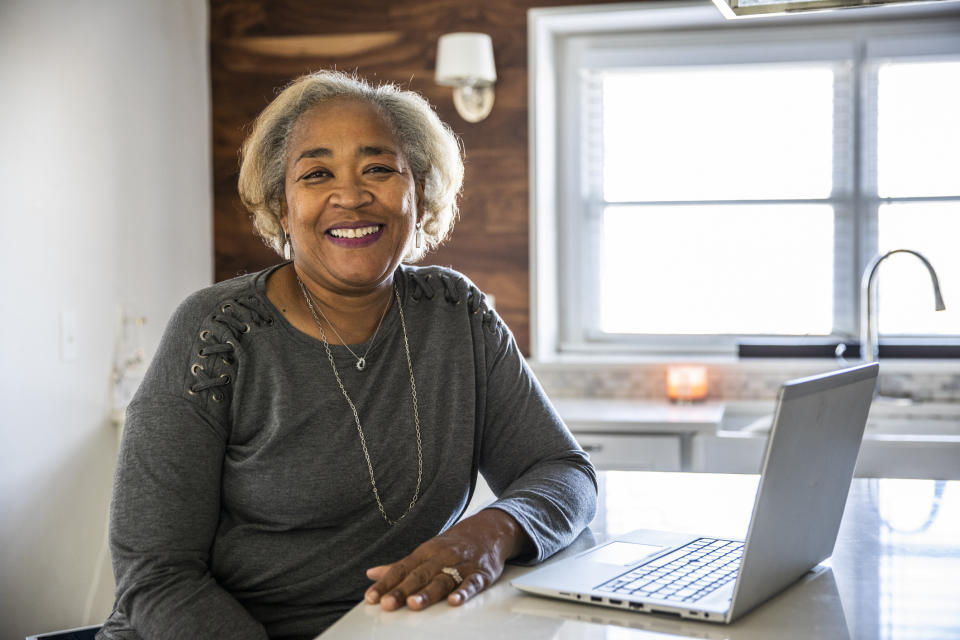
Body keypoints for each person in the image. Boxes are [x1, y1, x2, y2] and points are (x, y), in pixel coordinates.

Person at [97, 70, 597, 640]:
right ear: (283, 207)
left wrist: (490, 531)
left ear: (421, 190)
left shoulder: (456, 314)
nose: (352, 195)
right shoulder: (216, 334)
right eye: (316, 174)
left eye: (379, 168)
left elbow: (564, 472)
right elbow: (156, 575)